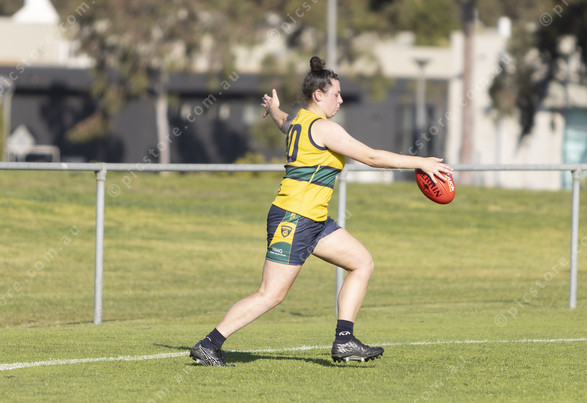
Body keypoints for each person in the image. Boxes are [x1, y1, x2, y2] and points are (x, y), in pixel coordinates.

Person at [190, 56, 453, 366]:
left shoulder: (298, 122)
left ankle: (345, 340)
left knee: (361, 263)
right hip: (294, 217)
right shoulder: (325, 129)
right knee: (271, 294)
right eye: (336, 94)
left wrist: (272, 107)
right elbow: (371, 157)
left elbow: (282, 121)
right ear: (318, 94)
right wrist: (420, 162)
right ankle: (209, 344)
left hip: (314, 220)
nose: (340, 100)